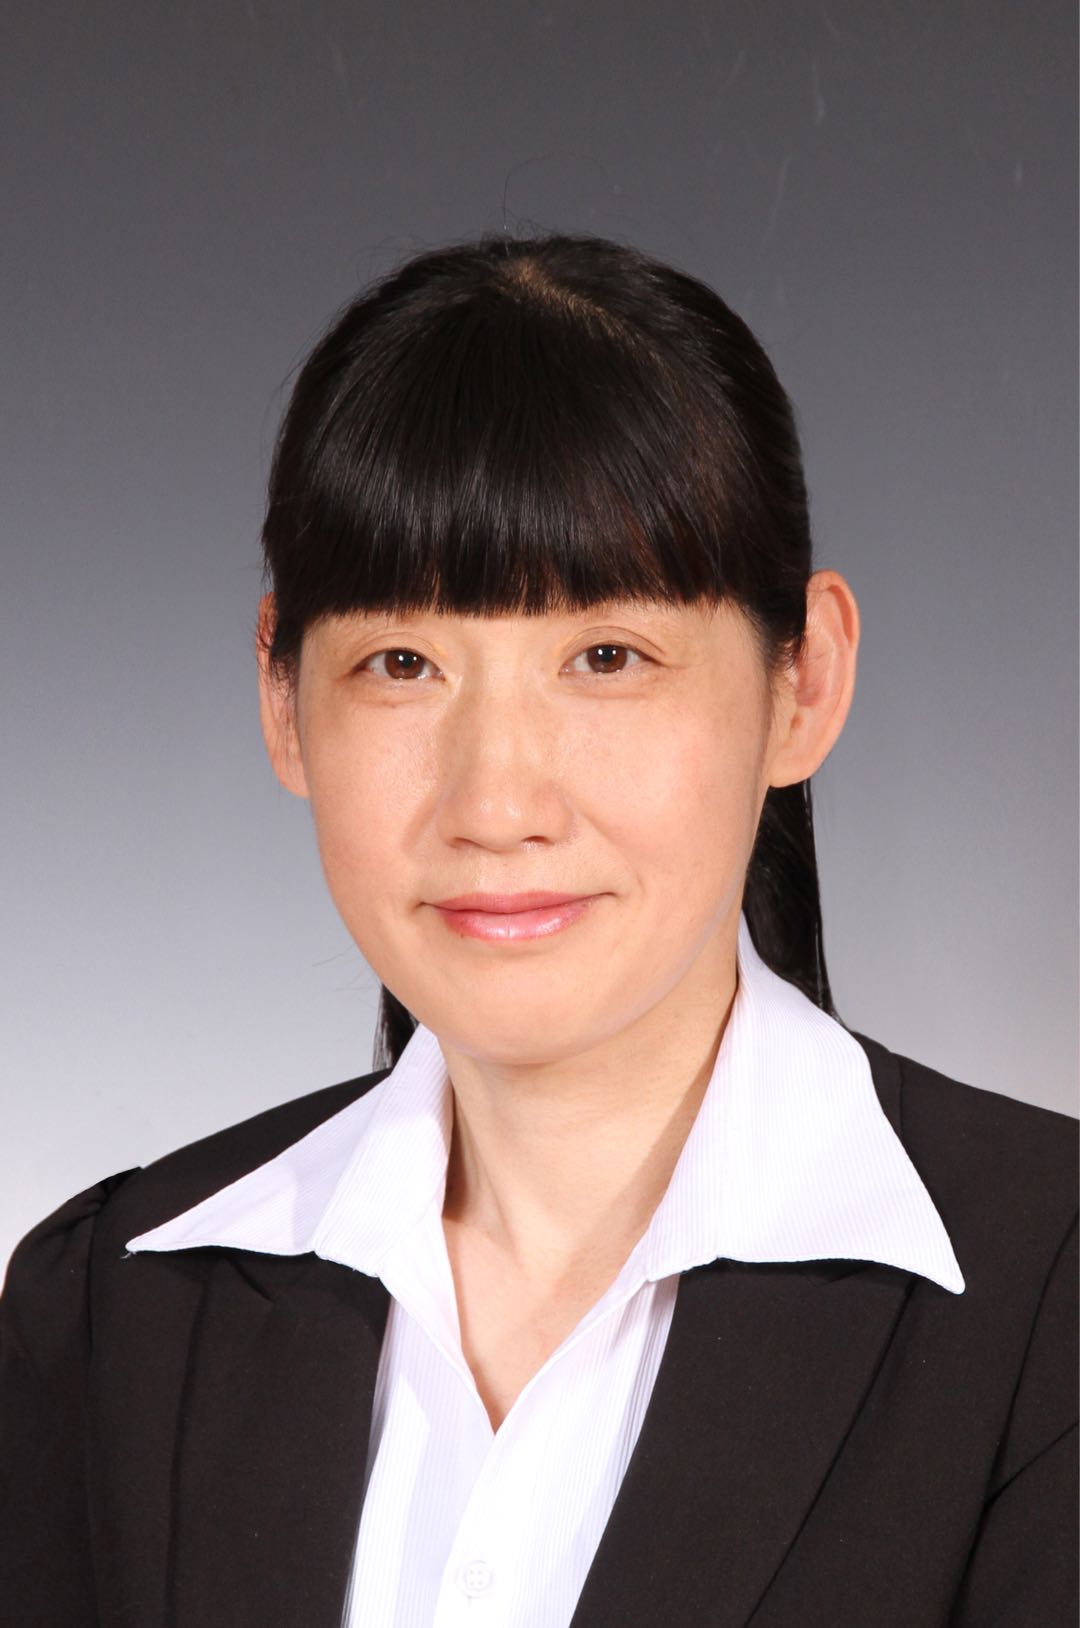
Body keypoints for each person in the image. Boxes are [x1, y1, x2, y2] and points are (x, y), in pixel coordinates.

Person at [0, 232, 1075, 1628]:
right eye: (401, 663)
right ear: (282, 702)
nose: (496, 803)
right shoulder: (112, 1313)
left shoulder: (1049, 1304)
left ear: (803, 682)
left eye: (605, 658)